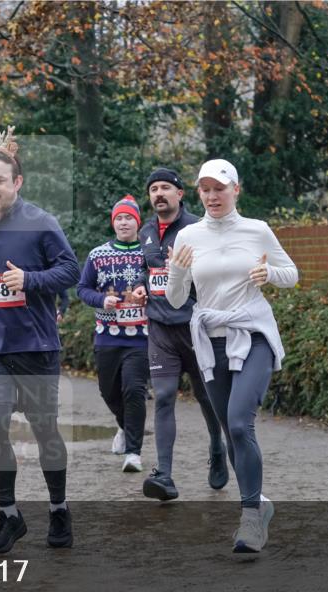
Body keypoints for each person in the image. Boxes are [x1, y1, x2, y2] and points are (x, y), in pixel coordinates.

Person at [0, 127, 80, 554]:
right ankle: (9, 515)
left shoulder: (42, 223)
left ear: (16, 182)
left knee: (45, 431)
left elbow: (70, 272)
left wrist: (29, 280)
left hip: (37, 347)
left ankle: (58, 509)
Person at [165, 159, 298, 554]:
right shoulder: (189, 235)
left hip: (251, 333)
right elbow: (175, 300)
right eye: (205, 189)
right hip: (211, 340)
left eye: (219, 188)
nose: (211, 196)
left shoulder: (256, 230)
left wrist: (269, 275)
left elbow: (291, 272)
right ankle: (260, 503)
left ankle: (251, 519)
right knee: (228, 429)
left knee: (240, 423)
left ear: (235, 190)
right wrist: (175, 270)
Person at [130, 168, 228, 500]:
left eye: (166, 188)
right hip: (160, 330)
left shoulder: (198, 230)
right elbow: (148, 274)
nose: (159, 194)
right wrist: (142, 289)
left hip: (195, 327)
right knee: (165, 396)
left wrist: (186, 271)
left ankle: (217, 447)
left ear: (180, 194)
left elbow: (218, 276)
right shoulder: (145, 232)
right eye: (154, 188)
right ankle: (165, 475)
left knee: (207, 397)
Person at [77, 195, 149, 473]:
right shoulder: (97, 255)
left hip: (140, 336)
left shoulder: (148, 253)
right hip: (107, 335)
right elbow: (82, 288)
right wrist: (100, 300)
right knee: (108, 392)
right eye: (119, 218)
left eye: (129, 217)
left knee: (134, 390)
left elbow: (161, 281)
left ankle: (133, 452)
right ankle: (123, 426)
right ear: (113, 222)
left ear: (137, 222)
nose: (123, 222)